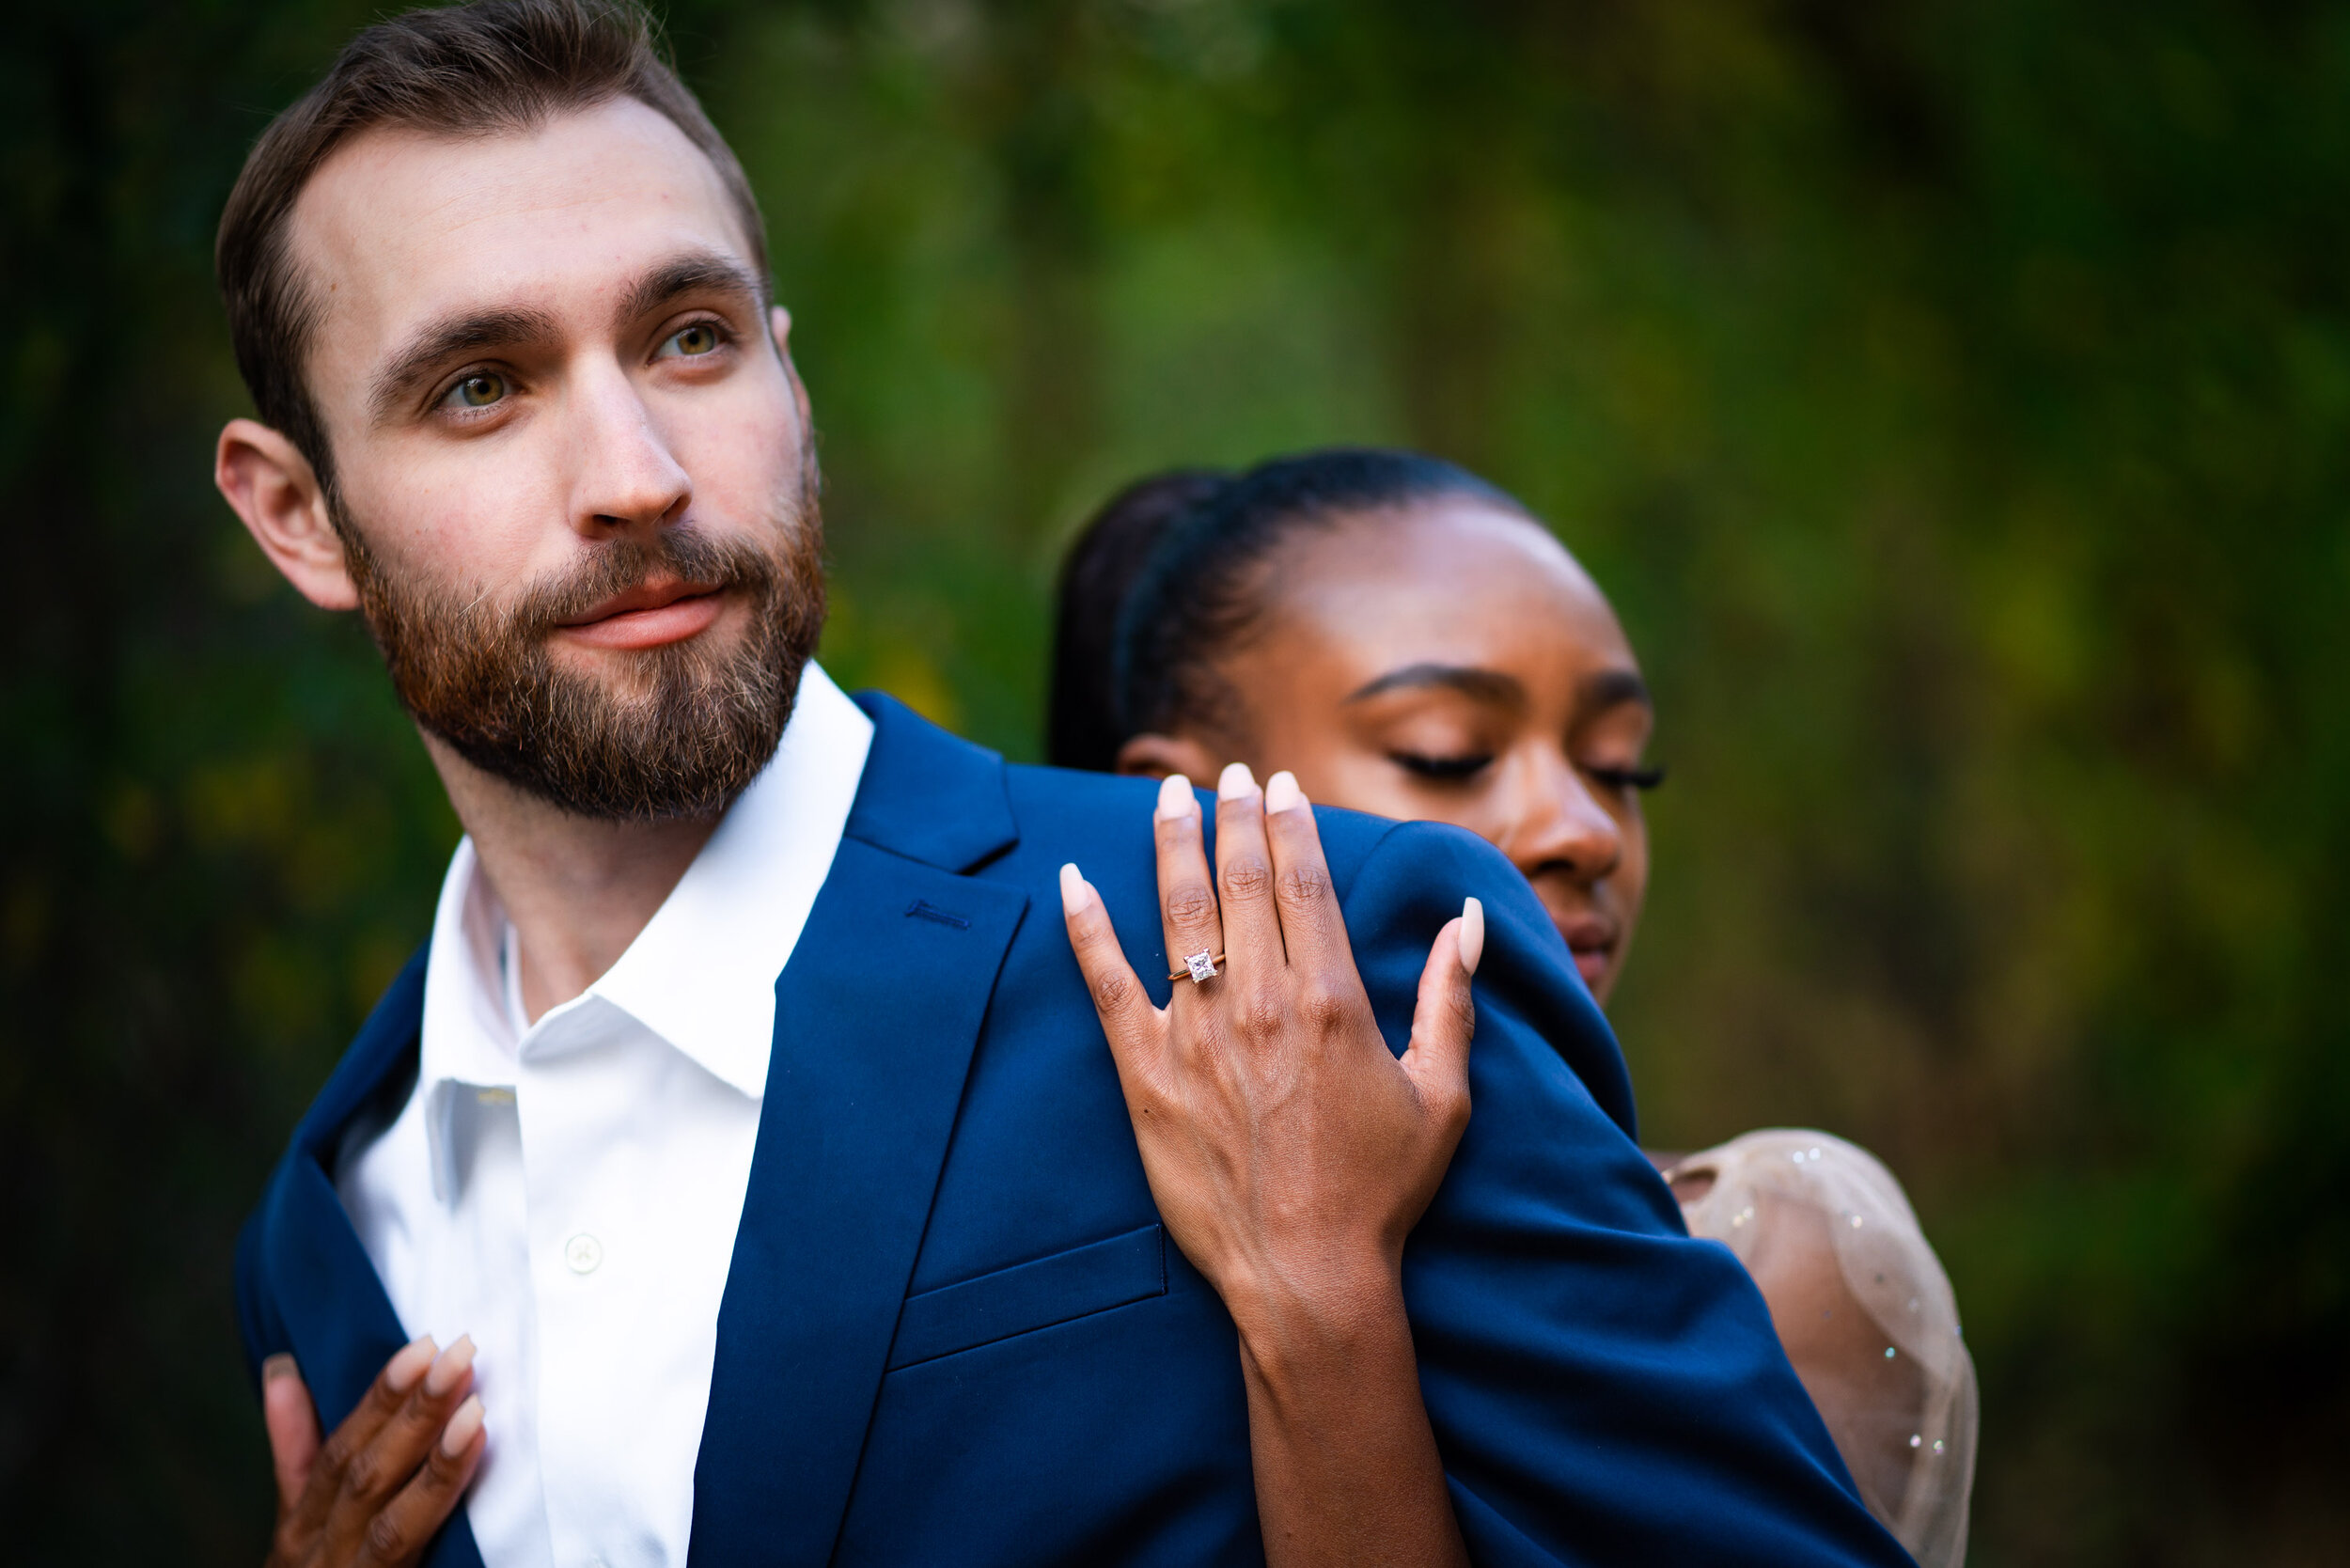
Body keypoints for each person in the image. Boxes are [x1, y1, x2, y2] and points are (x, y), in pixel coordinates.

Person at [215, 3, 1916, 1564]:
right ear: (297, 513)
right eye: (481, 387)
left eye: (689, 337)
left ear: (789, 375)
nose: (639, 477)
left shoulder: (1328, 956)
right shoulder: (331, 1225)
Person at [1050, 449, 1979, 1567]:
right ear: (1181, 809)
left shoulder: (1769, 1255)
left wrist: (1320, 1289)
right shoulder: (1022, 1277)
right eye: (1449, 756)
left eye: (1619, 769)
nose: (1583, 828)